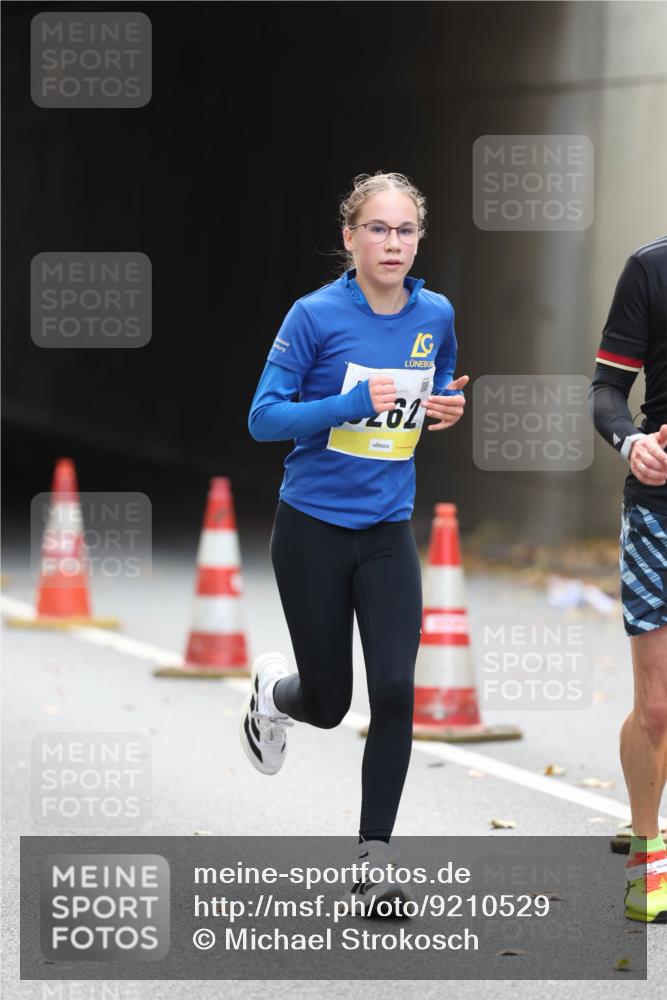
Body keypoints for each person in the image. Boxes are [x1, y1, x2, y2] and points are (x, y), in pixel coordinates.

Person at [239, 171, 468, 912]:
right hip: (311, 528)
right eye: (377, 229)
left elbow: (434, 384)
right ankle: (274, 695)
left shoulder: (435, 312)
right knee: (330, 702)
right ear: (350, 237)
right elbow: (263, 418)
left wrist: (445, 406)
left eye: (405, 230)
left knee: (396, 690)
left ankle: (374, 860)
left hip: (387, 530)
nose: (392, 243)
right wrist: (345, 403)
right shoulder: (313, 315)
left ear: (418, 240)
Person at [588, 234, 667, 923]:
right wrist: (632, 441)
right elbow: (607, 390)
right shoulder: (651, 268)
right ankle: (648, 859)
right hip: (659, 514)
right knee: (657, 705)